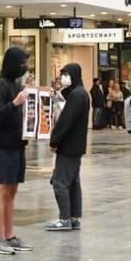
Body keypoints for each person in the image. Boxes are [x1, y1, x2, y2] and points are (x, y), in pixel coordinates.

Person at [0, 47, 32, 255]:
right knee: (3, 189)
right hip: (5, 145)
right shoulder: (0, 86)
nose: (25, 67)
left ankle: (10, 234)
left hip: (17, 144)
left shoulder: (16, 85)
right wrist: (14, 103)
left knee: (12, 191)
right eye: (22, 63)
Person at [46, 63, 89, 231]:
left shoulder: (77, 96)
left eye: (66, 74)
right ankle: (73, 217)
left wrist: (54, 140)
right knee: (72, 182)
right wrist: (57, 95)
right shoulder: (80, 94)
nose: (63, 78)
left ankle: (64, 218)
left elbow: (66, 121)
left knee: (60, 182)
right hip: (76, 145)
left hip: (68, 145)